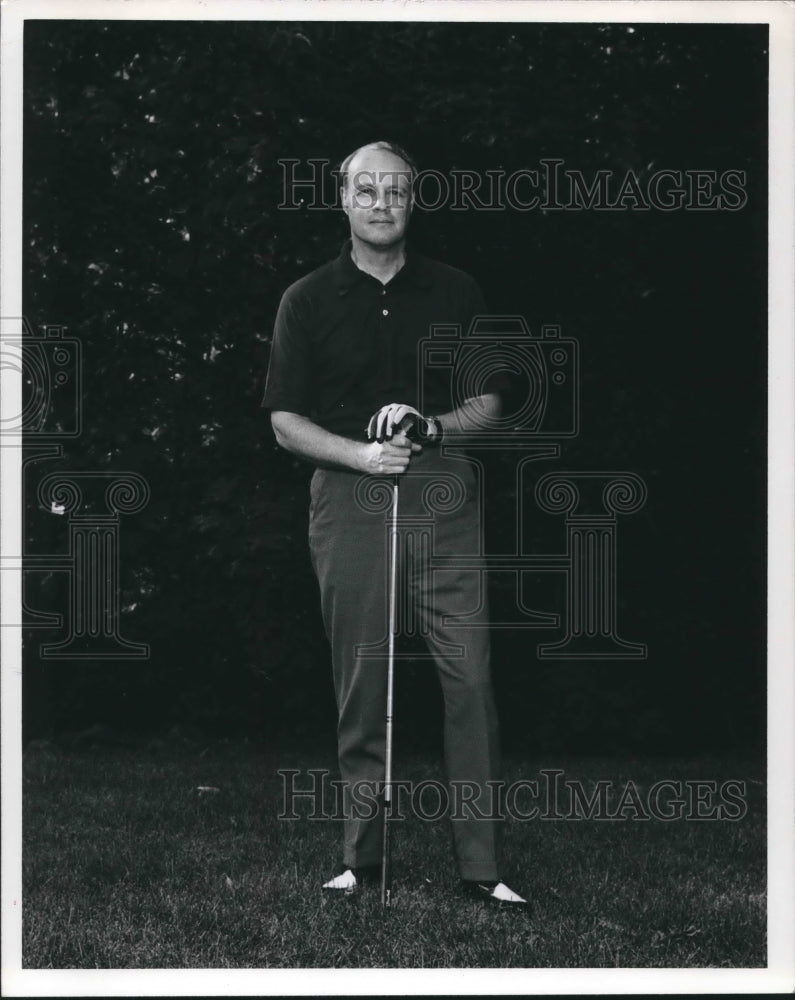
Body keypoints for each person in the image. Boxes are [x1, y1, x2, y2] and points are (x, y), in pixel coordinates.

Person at [263, 141, 526, 905]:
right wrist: (356, 454)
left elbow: (491, 404)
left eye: (397, 191)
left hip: (443, 493)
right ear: (342, 199)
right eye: (366, 190)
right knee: (360, 679)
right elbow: (283, 420)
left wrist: (432, 427)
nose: (382, 203)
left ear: (414, 200)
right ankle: (361, 859)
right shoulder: (305, 299)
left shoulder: (456, 290)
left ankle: (482, 869)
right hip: (349, 495)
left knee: (469, 679)